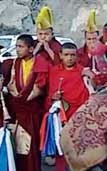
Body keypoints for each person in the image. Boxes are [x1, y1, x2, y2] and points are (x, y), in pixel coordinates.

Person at [43, 42, 89, 171]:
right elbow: (49, 94)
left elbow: (91, 92)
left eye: (73, 55)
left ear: (77, 56)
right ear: (61, 55)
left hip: (78, 117)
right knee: (61, 149)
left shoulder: (83, 71)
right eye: (66, 55)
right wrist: (53, 97)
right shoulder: (54, 71)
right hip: (60, 117)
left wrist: (92, 78)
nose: (70, 58)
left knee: (79, 150)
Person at [2, 34, 44, 171]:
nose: (18, 50)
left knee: (31, 147)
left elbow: (41, 86)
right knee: (17, 147)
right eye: (16, 47)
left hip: (32, 110)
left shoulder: (39, 63)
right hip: (16, 111)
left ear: (31, 49)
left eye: (21, 47)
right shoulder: (12, 64)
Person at [77, 9, 107, 91]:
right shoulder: (79, 53)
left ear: (98, 38)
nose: (91, 42)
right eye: (89, 39)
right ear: (85, 39)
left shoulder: (105, 51)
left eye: (94, 39)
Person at [32, 6, 62, 93]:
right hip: (32, 77)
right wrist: (37, 49)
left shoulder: (56, 45)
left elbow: (59, 62)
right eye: (40, 34)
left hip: (51, 76)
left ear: (52, 34)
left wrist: (48, 49)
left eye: (46, 34)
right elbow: (28, 60)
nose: (43, 36)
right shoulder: (33, 44)